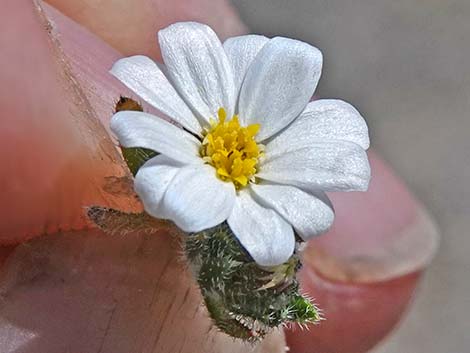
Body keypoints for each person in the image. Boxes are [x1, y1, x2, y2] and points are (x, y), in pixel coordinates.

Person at [0, 1, 435, 352]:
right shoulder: (187, 134)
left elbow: (312, 201)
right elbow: (136, 113)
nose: (234, 148)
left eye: (240, 149)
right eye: (231, 146)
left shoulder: (296, 163)